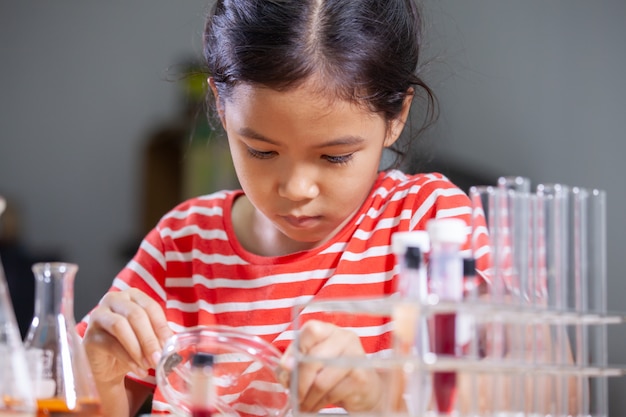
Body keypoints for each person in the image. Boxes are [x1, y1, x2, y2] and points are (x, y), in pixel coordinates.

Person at [78, 0, 492, 415]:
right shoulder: (182, 245)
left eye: (334, 157)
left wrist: (380, 403)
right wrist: (100, 376)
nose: (296, 189)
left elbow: (529, 400)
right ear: (222, 107)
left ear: (397, 114)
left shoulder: (431, 228)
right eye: (261, 151)